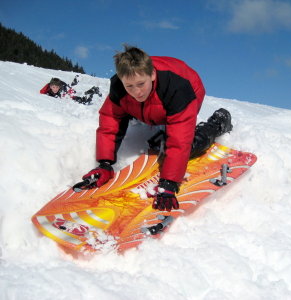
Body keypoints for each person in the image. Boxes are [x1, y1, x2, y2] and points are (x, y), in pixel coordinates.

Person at [82, 45, 233, 211]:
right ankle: (156, 127)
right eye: (129, 86)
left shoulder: (178, 88)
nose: (136, 91)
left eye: (140, 84)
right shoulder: (119, 87)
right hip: (152, 104)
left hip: (190, 90)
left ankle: (216, 124)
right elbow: (110, 120)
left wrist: (169, 182)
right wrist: (104, 163)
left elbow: (179, 142)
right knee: (137, 112)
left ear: (152, 74)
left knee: (185, 145)